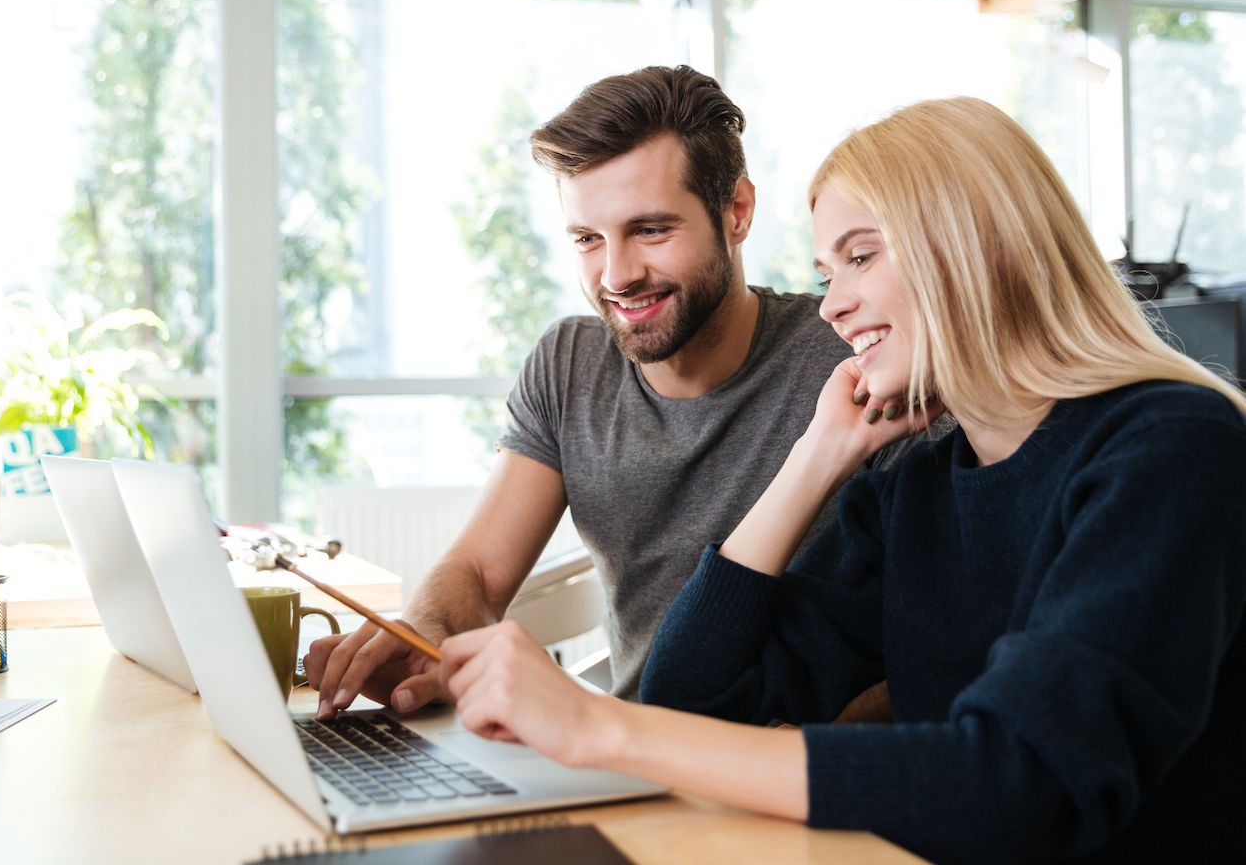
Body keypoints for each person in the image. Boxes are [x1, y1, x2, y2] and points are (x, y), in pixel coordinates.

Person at [438, 97, 1246, 863]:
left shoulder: (1168, 447)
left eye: (860, 256)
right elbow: (693, 696)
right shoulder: (919, 487)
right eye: (829, 273)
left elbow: (1022, 782)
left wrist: (601, 730)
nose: (833, 306)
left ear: (974, 243)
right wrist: (816, 457)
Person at [306, 66, 909, 718]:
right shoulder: (570, 363)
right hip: (617, 755)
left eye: (650, 230)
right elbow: (479, 572)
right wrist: (425, 628)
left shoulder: (855, 357)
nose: (616, 276)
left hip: (789, 774)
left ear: (736, 212)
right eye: (589, 239)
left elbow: (924, 654)